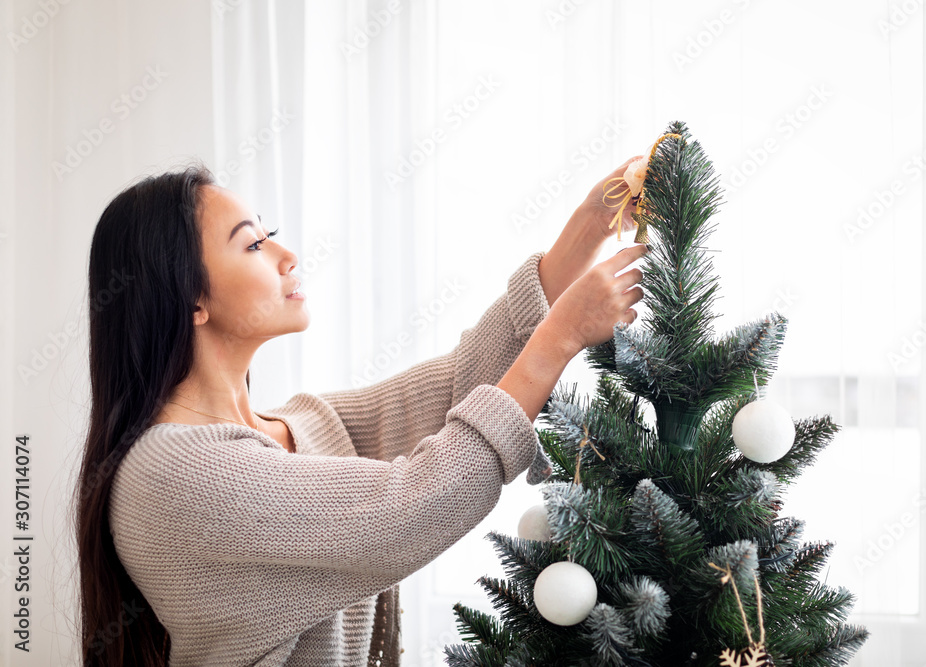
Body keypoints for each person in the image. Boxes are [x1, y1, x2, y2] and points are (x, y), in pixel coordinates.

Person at [74, 157, 648, 667]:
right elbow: (415, 502)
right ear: (190, 297)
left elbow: (456, 384)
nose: (286, 254)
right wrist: (562, 334)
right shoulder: (174, 475)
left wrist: (594, 220)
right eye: (253, 244)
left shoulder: (296, 428)